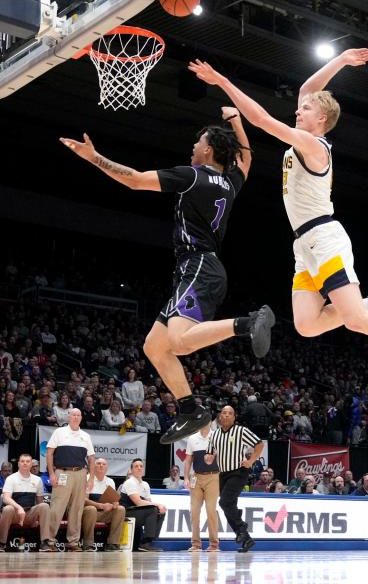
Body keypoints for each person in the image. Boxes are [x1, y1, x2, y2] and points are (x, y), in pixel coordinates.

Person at [188, 52, 368, 406]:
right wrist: (342, 59)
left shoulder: (313, 145)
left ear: (322, 119)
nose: (298, 110)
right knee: (308, 325)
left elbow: (261, 119)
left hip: (325, 238)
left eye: (306, 109)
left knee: (354, 320)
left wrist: (221, 80)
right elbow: (308, 87)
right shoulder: (305, 131)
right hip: (304, 246)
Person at [61, 108, 276, 446]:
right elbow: (246, 159)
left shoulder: (193, 176)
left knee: (177, 341)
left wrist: (94, 157)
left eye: (198, 141)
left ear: (208, 150)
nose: (193, 145)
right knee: (155, 346)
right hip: (202, 268)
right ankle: (191, 409)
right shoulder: (230, 181)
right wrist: (235, 119)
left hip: (198, 266)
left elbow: (133, 179)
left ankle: (247, 323)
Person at [204, 405, 265, 552]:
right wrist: (208, 458)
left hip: (238, 472)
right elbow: (208, 455)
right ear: (220, 416)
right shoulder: (214, 435)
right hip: (223, 474)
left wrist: (251, 461)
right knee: (228, 506)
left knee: (224, 502)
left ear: (234, 417)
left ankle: (242, 528)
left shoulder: (241, 431)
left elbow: (260, 444)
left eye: (229, 413)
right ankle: (246, 539)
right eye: (223, 413)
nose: (226, 415)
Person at [45, 408, 95, 551]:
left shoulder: (85, 436)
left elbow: (91, 459)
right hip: (62, 472)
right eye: (73, 415)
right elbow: (49, 454)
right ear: (68, 417)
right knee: (57, 507)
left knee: (77, 509)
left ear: (81, 418)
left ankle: (73, 542)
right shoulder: (59, 432)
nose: (76, 417)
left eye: (79, 415)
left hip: (80, 474)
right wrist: (52, 474)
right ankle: (49, 541)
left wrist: (90, 479)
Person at [0, 453, 54, 552]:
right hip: (15, 514)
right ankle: (2, 543)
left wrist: (37, 518)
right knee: (7, 508)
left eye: (27, 461)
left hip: (29, 514)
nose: (25, 463)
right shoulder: (11, 478)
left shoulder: (38, 480)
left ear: (31, 465)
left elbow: (39, 502)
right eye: (22, 461)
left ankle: (45, 542)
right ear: (18, 464)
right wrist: (19, 508)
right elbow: (6, 498)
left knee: (44, 506)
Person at [183, 423, 220, 552]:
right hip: (196, 477)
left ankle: (214, 545)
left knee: (211, 510)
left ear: (210, 422)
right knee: (194, 511)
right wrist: (186, 478)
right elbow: (188, 460)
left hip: (213, 476)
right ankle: (195, 544)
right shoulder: (192, 438)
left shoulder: (217, 436)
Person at [120, 458, 166, 552]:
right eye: (136, 466)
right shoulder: (130, 482)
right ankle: (144, 543)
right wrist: (157, 504)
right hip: (128, 511)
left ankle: (149, 542)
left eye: (141, 466)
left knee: (159, 511)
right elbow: (139, 502)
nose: (139, 468)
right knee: (153, 509)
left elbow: (148, 502)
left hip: (138, 512)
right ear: (132, 470)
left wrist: (158, 507)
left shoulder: (145, 484)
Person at [81, 458, 126, 552]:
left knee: (120, 509)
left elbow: (114, 501)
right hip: (88, 512)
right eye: (98, 463)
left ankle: (112, 543)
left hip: (104, 513)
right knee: (91, 509)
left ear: (107, 468)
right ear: (93, 466)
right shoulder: (87, 478)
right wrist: (100, 506)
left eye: (104, 464)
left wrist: (115, 504)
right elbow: (83, 500)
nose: (101, 465)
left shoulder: (110, 481)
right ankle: (88, 544)